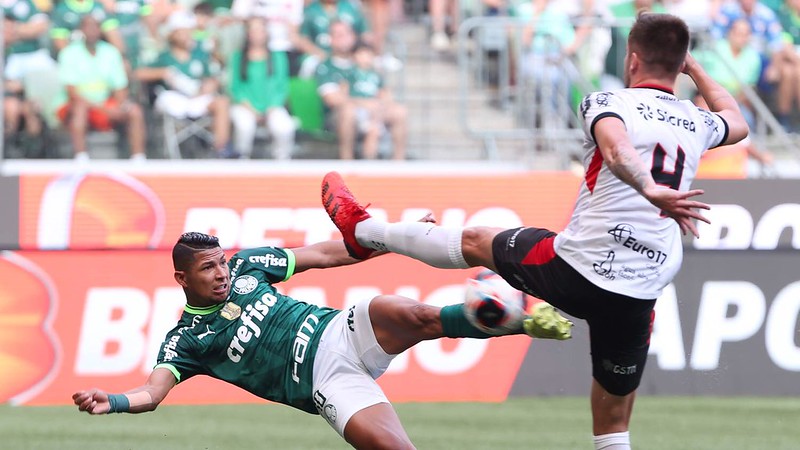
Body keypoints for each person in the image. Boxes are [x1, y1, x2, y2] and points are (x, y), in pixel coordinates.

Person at [321, 13, 749, 450]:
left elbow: (617, 149)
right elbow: (737, 119)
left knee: (475, 242)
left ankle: (366, 230)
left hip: (578, 270)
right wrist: (693, 68)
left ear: (632, 59)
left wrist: (649, 188)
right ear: (679, 66)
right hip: (638, 294)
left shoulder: (607, 102)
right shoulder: (697, 121)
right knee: (614, 423)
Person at [72, 230, 570, 449]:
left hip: (342, 332)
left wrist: (392, 238)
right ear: (183, 279)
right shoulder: (187, 340)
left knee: (415, 314)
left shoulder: (248, 265)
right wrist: (112, 401)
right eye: (208, 268)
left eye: (221, 261)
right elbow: (152, 393)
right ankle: (509, 315)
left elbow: (325, 254)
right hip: (325, 386)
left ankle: (525, 320)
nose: (222, 272)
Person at [136, 11, 234, 158]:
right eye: (183, 32)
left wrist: (210, 85)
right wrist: (163, 73)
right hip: (175, 99)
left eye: (190, 32)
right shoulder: (164, 56)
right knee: (168, 104)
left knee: (222, 102)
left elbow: (214, 77)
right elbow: (139, 73)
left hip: (197, 96)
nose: (188, 36)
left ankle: (221, 150)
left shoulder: (200, 55)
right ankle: (172, 152)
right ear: (173, 34)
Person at [55, 15, 147, 161]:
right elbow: (72, 93)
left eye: (95, 26)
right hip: (77, 105)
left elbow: (119, 86)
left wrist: (120, 105)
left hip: (104, 104)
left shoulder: (111, 52)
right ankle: (81, 157)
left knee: (134, 111)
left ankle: (138, 158)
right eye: (88, 26)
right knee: (79, 108)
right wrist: (102, 108)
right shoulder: (69, 53)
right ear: (81, 30)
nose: (92, 30)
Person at [228, 17, 296, 159]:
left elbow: (282, 87)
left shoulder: (278, 57)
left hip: (273, 106)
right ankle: (242, 159)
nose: (257, 34)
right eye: (253, 30)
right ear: (247, 33)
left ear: (266, 33)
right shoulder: (237, 57)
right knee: (245, 126)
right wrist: (252, 109)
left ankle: (282, 161)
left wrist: (271, 107)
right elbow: (234, 88)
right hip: (245, 106)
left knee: (284, 127)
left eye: (260, 30)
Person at [348, 41, 407, 160]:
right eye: (362, 54)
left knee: (378, 127)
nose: (366, 58)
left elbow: (385, 94)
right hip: (358, 110)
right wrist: (364, 104)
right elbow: (344, 96)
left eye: (369, 55)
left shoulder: (375, 75)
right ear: (354, 56)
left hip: (376, 112)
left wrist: (382, 104)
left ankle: (398, 160)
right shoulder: (350, 73)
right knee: (372, 131)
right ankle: (363, 162)